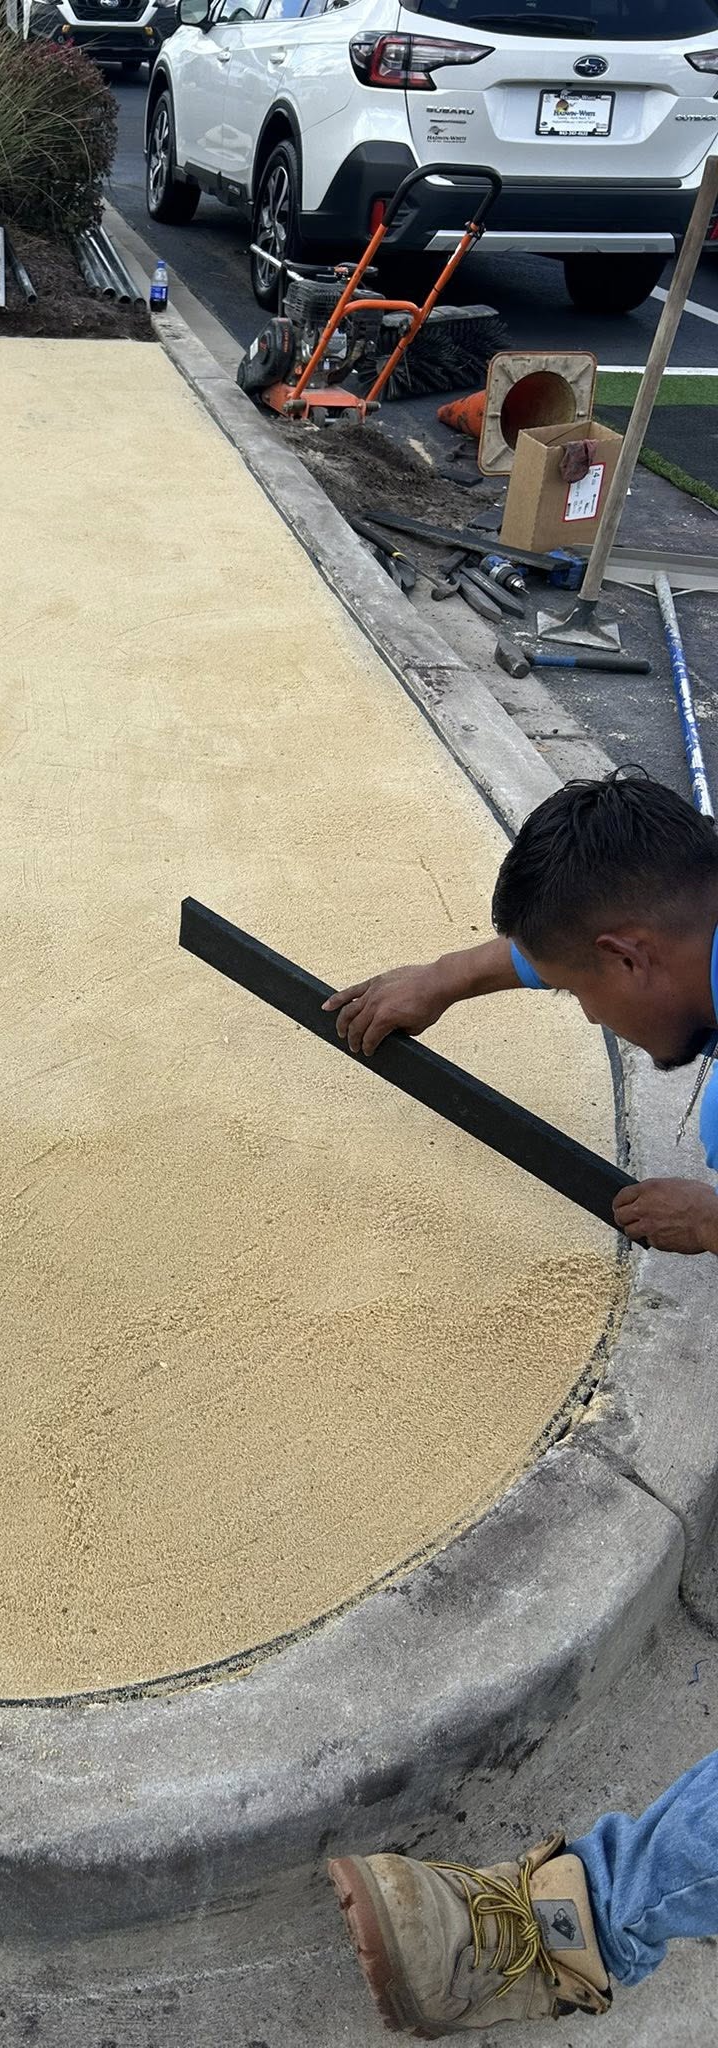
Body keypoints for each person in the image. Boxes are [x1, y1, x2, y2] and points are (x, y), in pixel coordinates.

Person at [320, 769, 718, 2036]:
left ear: (634, 953)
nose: (594, 1009)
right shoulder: (679, 913)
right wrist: (450, 975)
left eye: (590, 990)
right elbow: (591, 935)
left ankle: (567, 1924)